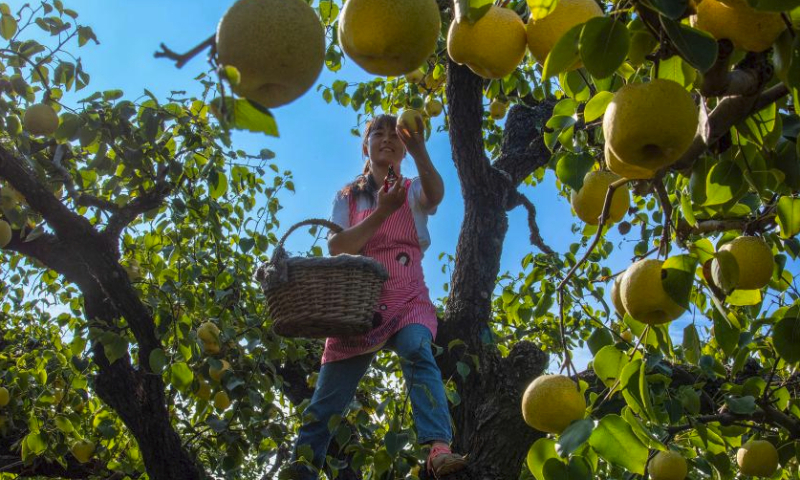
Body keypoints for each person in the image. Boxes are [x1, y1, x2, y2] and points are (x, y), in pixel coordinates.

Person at [286, 114, 467, 478]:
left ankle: (437, 447)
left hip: (407, 298)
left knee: (417, 348)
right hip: (356, 308)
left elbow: (436, 194)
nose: (387, 139)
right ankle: (299, 471)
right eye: (377, 134)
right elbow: (338, 246)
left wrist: (418, 149)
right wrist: (382, 212)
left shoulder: (413, 188)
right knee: (324, 405)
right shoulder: (349, 196)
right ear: (365, 146)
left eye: (394, 135)